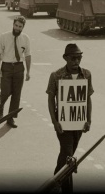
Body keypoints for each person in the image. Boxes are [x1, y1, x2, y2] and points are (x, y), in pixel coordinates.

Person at [46, 43, 93, 193]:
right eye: (73, 58)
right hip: (63, 124)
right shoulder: (56, 75)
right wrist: (54, 122)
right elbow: (50, 99)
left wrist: (88, 119)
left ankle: (54, 182)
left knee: (67, 154)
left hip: (78, 124)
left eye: (79, 58)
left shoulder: (86, 74)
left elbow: (87, 98)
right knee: (68, 156)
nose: (76, 62)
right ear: (66, 58)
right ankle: (66, 189)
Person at [0, 16, 31, 128]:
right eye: (16, 25)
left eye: (20, 27)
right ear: (13, 24)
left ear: (23, 27)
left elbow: (28, 55)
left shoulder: (25, 38)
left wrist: (28, 72)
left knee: (16, 94)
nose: (17, 28)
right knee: (5, 91)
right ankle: (1, 106)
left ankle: (10, 118)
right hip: (6, 67)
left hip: (19, 68)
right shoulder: (4, 37)